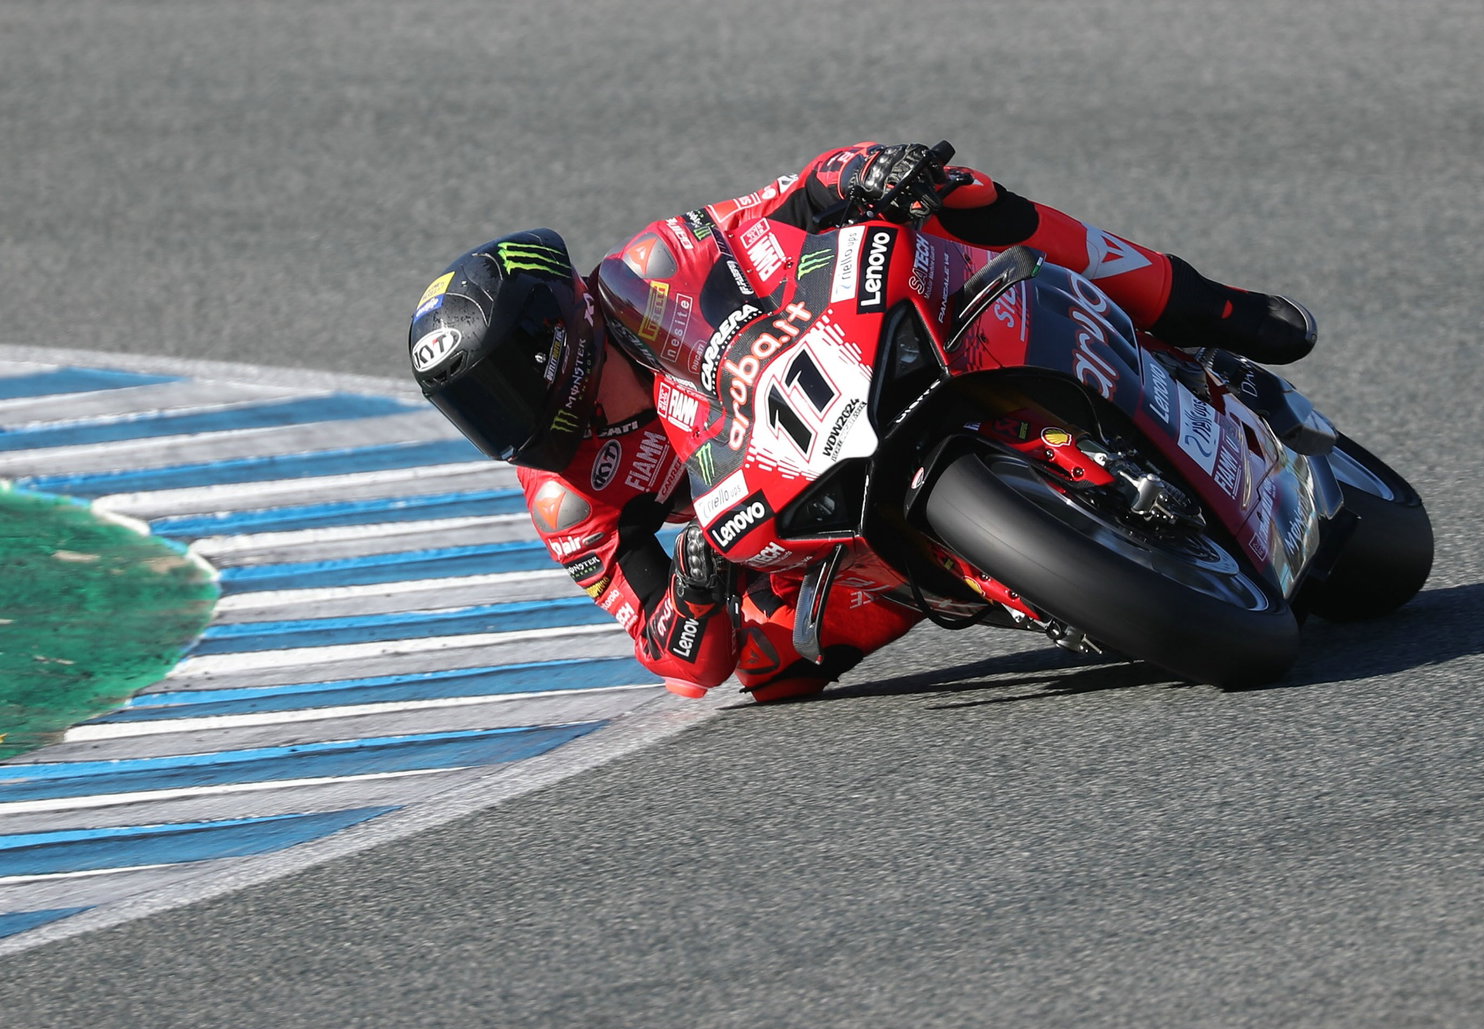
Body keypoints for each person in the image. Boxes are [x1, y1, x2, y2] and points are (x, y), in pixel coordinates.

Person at [407, 141, 1318, 702]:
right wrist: (688, 588)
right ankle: (1020, 573)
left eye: (499, 388)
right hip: (785, 516)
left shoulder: (651, 269)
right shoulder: (567, 502)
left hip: (851, 352)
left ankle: (1192, 301)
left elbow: (784, 204)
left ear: (551, 335)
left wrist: (858, 176)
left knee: (945, 191)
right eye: (472, 410)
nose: (502, 423)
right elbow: (676, 654)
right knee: (768, 670)